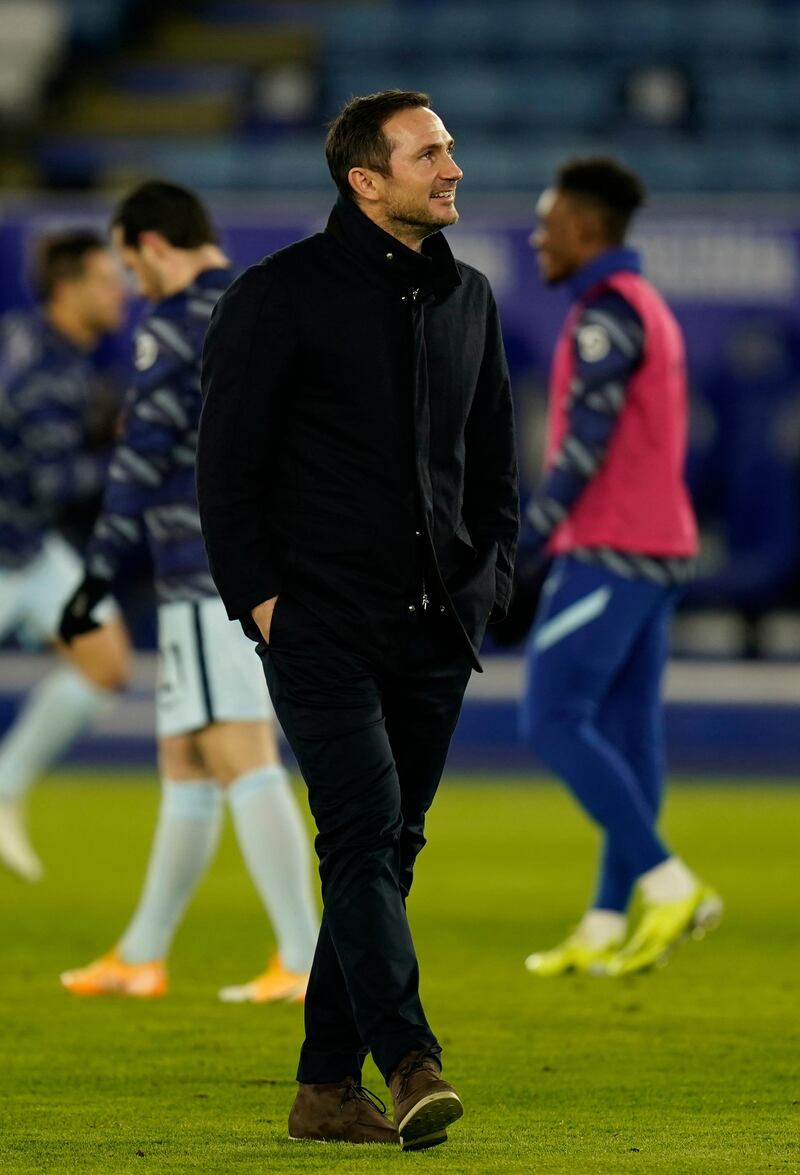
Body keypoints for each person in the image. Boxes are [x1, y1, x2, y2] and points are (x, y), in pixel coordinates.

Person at [197, 90, 518, 1150]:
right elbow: (225, 470)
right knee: (365, 833)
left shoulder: (468, 298)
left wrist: (484, 578)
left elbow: (490, 470)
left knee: (385, 847)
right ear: (364, 180)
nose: (453, 166)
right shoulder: (276, 296)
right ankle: (411, 1057)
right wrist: (264, 603)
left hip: (434, 630)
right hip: (319, 624)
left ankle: (325, 1088)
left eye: (452, 149)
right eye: (429, 152)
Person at [58, 181, 319, 1003]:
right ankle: (142, 950)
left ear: (155, 246)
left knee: (240, 751)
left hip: (206, 570)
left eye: (130, 265)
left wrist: (96, 573)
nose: (131, 285)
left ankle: (306, 956)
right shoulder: (260, 304)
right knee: (187, 761)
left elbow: (141, 460)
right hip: (246, 562)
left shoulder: (174, 322)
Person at [519, 157, 722, 979]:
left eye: (548, 222)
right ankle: (606, 921)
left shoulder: (605, 314)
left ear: (585, 226)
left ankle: (670, 883)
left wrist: (532, 534)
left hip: (610, 550)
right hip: (660, 546)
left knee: (552, 717)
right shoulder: (649, 307)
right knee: (631, 737)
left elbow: (583, 443)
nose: (538, 238)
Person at [0, 230, 131, 882]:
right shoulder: (48, 372)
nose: (120, 291)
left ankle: (3, 788)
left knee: (103, 658)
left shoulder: (41, 345)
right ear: (69, 288)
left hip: (27, 546)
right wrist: (130, 459)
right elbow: (57, 482)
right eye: (107, 279)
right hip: (6, 546)